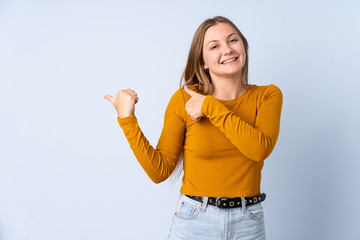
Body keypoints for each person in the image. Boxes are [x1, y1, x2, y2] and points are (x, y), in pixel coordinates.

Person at [104, 16, 283, 240]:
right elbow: (159, 172)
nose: (227, 49)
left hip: (248, 222)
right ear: (203, 62)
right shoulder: (183, 100)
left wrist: (209, 106)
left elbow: (259, 149)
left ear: (243, 47)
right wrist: (127, 119)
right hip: (195, 221)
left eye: (233, 40)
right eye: (214, 46)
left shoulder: (267, 96)